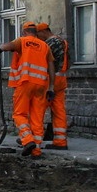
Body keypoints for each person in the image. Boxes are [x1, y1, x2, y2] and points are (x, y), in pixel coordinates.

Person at [0, 21, 55, 158]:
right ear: (36, 32)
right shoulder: (45, 46)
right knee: (37, 117)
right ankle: (37, 150)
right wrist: (51, 86)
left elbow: (9, 46)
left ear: (24, 32)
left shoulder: (23, 41)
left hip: (25, 82)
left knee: (19, 114)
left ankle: (28, 140)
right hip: (41, 85)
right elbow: (51, 67)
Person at [37, 22, 70, 150]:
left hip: (50, 80)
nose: (38, 37)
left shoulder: (49, 44)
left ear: (44, 31)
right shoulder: (63, 42)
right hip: (61, 79)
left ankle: (34, 139)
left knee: (39, 108)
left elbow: (45, 62)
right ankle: (61, 142)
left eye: (38, 34)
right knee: (59, 111)